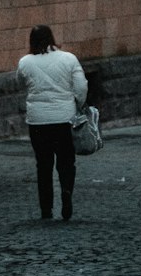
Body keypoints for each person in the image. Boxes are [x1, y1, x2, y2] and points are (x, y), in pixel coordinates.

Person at [17, 24, 88, 221]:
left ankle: (46, 209)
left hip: (38, 121)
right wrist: (77, 104)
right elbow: (81, 87)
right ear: (52, 38)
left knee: (44, 165)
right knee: (66, 161)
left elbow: (20, 83)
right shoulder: (69, 58)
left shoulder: (25, 62)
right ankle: (66, 193)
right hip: (64, 119)